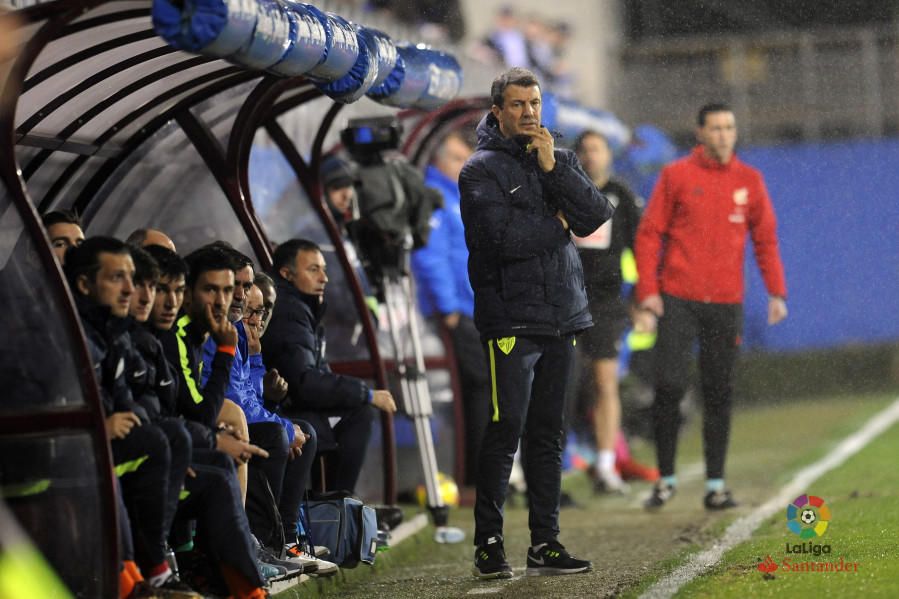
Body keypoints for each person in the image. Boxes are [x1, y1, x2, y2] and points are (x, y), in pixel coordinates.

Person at [459, 67, 613, 579]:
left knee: (548, 434)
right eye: (518, 104)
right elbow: (504, 242)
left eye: (535, 104)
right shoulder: (479, 170)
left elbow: (596, 214)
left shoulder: (559, 159)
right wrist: (559, 223)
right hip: (510, 319)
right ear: (498, 111)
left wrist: (552, 169)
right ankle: (488, 543)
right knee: (506, 429)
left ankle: (545, 543)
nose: (529, 113)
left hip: (562, 317)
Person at [635, 102, 788, 511]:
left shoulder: (749, 181)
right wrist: (648, 291)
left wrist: (776, 292)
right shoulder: (676, 175)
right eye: (716, 128)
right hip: (677, 299)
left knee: (719, 391)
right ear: (700, 133)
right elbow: (649, 234)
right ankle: (665, 478)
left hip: (725, 302)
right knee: (669, 386)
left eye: (729, 127)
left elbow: (765, 239)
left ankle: (716, 485)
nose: (724, 134)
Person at [262, 239, 397, 494]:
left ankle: (334, 504)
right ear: (287, 274)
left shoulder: (302, 308)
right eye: (313, 269)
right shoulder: (288, 311)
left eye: (323, 269)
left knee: (353, 409)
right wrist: (366, 393)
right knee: (359, 413)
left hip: (286, 408)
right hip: (281, 412)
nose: (324, 277)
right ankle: (336, 504)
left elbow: (318, 373)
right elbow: (304, 383)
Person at [410, 132, 490, 486]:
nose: (464, 165)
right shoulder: (434, 196)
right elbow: (430, 256)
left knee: (484, 385)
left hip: (472, 305)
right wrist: (447, 307)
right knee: (478, 385)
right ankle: (476, 473)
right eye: (457, 158)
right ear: (438, 160)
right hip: (457, 310)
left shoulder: (457, 194)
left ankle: (483, 470)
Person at [571, 130, 646, 493]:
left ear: (608, 154)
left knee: (605, 382)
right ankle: (559, 459)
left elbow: (642, 248)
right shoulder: (564, 191)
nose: (591, 156)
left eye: (597, 149)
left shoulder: (622, 196)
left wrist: (642, 298)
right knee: (564, 383)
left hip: (605, 302)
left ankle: (606, 464)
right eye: (585, 150)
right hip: (566, 301)